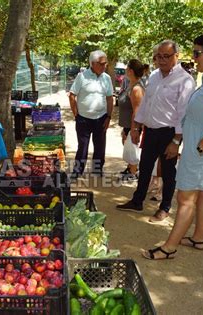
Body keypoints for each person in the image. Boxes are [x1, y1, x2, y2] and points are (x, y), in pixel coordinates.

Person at [142, 32, 203, 260]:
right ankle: (198, 238)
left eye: (197, 53)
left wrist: (199, 148)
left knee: (185, 199)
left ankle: (169, 247)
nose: (194, 58)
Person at [116, 40, 195, 222]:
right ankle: (137, 201)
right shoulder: (153, 76)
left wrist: (176, 141)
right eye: (158, 56)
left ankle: (165, 207)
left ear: (177, 56)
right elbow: (145, 104)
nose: (161, 60)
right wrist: (136, 126)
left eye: (166, 56)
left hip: (170, 134)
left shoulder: (185, 80)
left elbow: (184, 114)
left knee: (168, 173)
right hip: (150, 131)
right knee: (144, 168)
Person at [70, 50, 113, 178]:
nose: (104, 66)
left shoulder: (107, 78)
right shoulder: (82, 77)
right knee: (82, 146)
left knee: (100, 146)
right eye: (102, 63)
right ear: (93, 63)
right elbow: (72, 95)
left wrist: (109, 117)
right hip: (83, 118)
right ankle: (77, 172)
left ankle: (97, 170)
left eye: (106, 63)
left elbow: (109, 98)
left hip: (101, 118)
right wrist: (76, 115)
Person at [118, 59, 146, 181]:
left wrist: (135, 129)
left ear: (130, 71)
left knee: (132, 149)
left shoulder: (137, 89)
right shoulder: (130, 85)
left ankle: (133, 171)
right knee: (128, 147)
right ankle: (130, 168)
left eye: (126, 68)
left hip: (133, 125)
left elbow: (137, 111)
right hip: (127, 124)